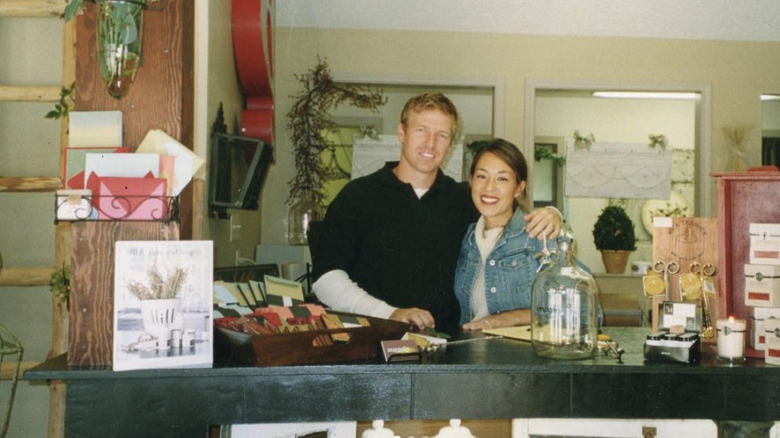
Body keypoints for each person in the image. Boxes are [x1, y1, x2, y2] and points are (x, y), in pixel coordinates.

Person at [311, 93, 560, 335]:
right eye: (421, 130)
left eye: (441, 135)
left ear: (450, 144)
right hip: (373, 349)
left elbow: (511, 215)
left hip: (447, 355)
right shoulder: (357, 196)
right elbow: (326, 280)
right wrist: (390, 313)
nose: (430, 143)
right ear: (401, 133)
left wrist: (552, 214)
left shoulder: (465, 199)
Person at [455, 138, 548, 331]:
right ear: (471, 181)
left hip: (521, 358)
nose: (489, 187)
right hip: (473, 355)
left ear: (518, 188)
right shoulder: (468, 239)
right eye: (482, 176)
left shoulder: (539, 235)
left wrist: (507, 319)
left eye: (502, 178)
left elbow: (586, 311)